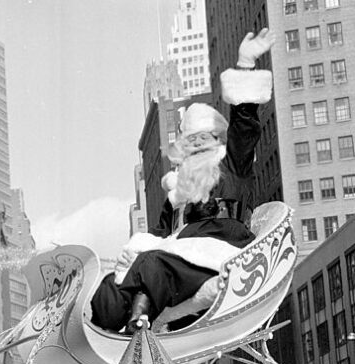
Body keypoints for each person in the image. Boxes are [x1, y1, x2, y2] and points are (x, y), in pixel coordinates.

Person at [91, 29, 276, 333]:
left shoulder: (233, 166)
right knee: (118, 280)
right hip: (179, 259)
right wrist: (132, 253)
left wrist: (245, 64)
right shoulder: (177, 195)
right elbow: (159, 234)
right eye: (192, 141)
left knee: (152, 265)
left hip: (221, 251)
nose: (198, 145)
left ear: (218, 139)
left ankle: (140, 322)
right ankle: (101, 329)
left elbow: (244, 123)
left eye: (205, 139)